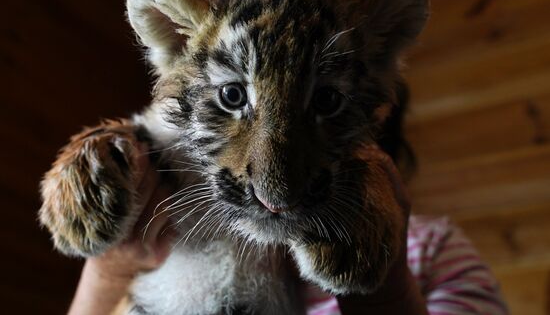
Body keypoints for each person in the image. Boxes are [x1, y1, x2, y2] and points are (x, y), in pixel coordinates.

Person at [68, 144, 508, 315]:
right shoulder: (184, 214)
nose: (272, 184)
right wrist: (107, 271)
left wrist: (380, 276)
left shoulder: (432, 246)